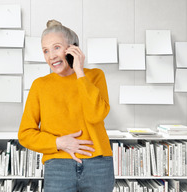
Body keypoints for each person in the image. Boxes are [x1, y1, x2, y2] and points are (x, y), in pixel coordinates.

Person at [18, 20, 115, 192]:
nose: (51, 56)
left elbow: (96, 115)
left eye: (56, 47)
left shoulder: (94, 76)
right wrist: (59, 142)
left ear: (72, 49)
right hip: (58, 166)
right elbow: (25, 134)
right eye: (45, 51)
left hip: (98, 164)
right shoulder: (40, 85)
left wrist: (79, 73)